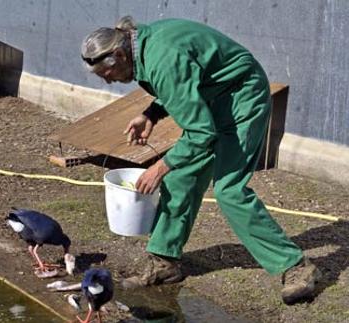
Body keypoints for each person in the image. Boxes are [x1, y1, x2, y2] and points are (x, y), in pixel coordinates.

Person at [81, 16, 321, 304]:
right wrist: (150, 114)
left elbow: (199, 131)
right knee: (182, 176)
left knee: (229, 190)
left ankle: (296, 267)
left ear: (119, 54)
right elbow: (188, 81)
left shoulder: (161, 56)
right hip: (215, 99)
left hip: (242, 99)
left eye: (106, 73)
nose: (108, 80)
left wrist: (159, 166)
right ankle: (165, 262)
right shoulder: (143, 46)